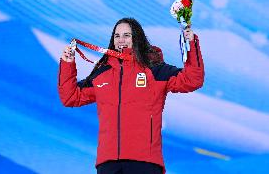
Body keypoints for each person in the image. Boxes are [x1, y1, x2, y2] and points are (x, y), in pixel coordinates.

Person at [58, 18, 204, 174]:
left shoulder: (154, 70)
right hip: (108, 163)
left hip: (144, 163)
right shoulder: (102, 74)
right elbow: (71, 97)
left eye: (127, 35)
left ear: (137, 38)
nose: (121, 40)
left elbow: (192, 80)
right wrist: (67, 63)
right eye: (117, 36)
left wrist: (191, 45)